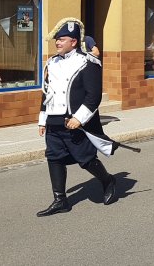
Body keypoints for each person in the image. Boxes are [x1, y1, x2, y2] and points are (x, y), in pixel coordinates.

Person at [36, 18, 117, 217]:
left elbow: (93, 95)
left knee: (86, 159)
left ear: (73, 41)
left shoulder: (88, 62)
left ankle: (107, 180)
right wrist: (42, 119)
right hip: (54, 120)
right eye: (56, 40)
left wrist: (79, 118)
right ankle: (60, 200)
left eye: (61, 39)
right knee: (54, 158)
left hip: (74, 122)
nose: (57, 43)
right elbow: (47, 93)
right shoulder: (52, 62)